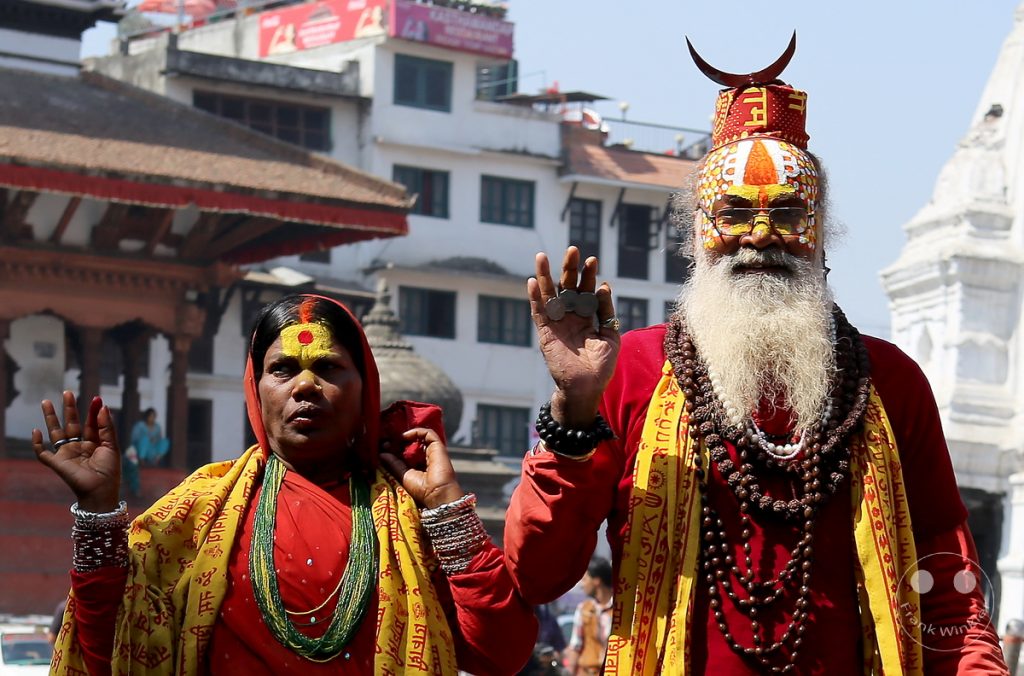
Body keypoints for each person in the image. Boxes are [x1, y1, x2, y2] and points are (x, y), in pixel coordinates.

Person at [503, 38, 1010, 674]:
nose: (762, 235)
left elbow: (946, 580)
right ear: (697, 232)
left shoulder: (888, 382)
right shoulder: (629, 370)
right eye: (735, 212)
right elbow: (539, 574)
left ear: (822, 233)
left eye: (789, 213)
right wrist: (574, 407)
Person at [34, 293, 537, 675]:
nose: (305, 386)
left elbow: (502, 652)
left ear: (365, 388)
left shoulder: (411, 513)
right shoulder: (197, 513)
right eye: (282, 369)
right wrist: (98, 513)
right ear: (256, 389)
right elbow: (113, 652)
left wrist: (449, 510)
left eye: (328, 367)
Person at [564, 557, 612, 676]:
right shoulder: (584, 609)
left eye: (585, 579)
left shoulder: (621, 609)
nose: (582, 585)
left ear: (596, 581)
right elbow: (576, 646)